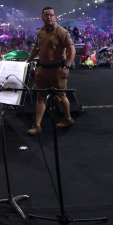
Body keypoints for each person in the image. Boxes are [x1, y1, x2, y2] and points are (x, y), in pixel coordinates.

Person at [24, 7, 76, 135]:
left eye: (51, 15)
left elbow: (72, 50)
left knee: (61, 95)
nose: (49, 17)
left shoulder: (62, 32)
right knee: (40, 97)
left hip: (57, 70)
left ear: (55, 16)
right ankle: (37, 125)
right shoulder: (41, 32)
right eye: (46, 15)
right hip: (42, 69)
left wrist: (67, 67)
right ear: (42, 18)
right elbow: (36, 48)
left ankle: (68, 118)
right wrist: (28, 61)